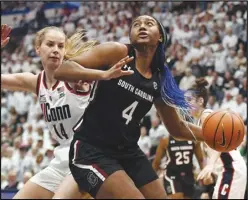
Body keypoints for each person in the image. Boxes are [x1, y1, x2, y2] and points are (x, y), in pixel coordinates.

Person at [53, 15, 208, 199]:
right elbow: (62, 70)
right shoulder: (118, 52)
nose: (142, 27)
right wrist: (102, 75)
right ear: (130, 36)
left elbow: (177, 128)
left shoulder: (160, 78)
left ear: (160, 36)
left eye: (149, 24)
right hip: (91, 150)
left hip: (128, 152)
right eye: (136, 25)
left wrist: (211, 136)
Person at [1, 24, 133, 199]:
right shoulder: (35, 81)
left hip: (89, 155)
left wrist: (104, 74)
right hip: (63, 158)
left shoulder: (74, 77)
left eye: (60, 46)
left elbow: (101, 66)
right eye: (50, 44)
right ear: (38, 48)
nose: (56, 50)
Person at [187, 78, 247, 199]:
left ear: (200, 101)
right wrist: (211, 170)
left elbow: (217, 144)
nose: (186, 104)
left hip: (231, 168)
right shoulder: (200, 121)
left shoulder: (206, 116)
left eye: (189, 100)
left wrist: (210, 165)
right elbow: (211, 149)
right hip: (226, 169)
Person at [152, 132, 204, 199]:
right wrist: (151, 180)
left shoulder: (194, 140)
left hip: (188, 175)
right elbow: (156, 162)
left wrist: (204, 174)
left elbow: (201, 159)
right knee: (177, 196)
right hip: (172, 176)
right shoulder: (166, 140)